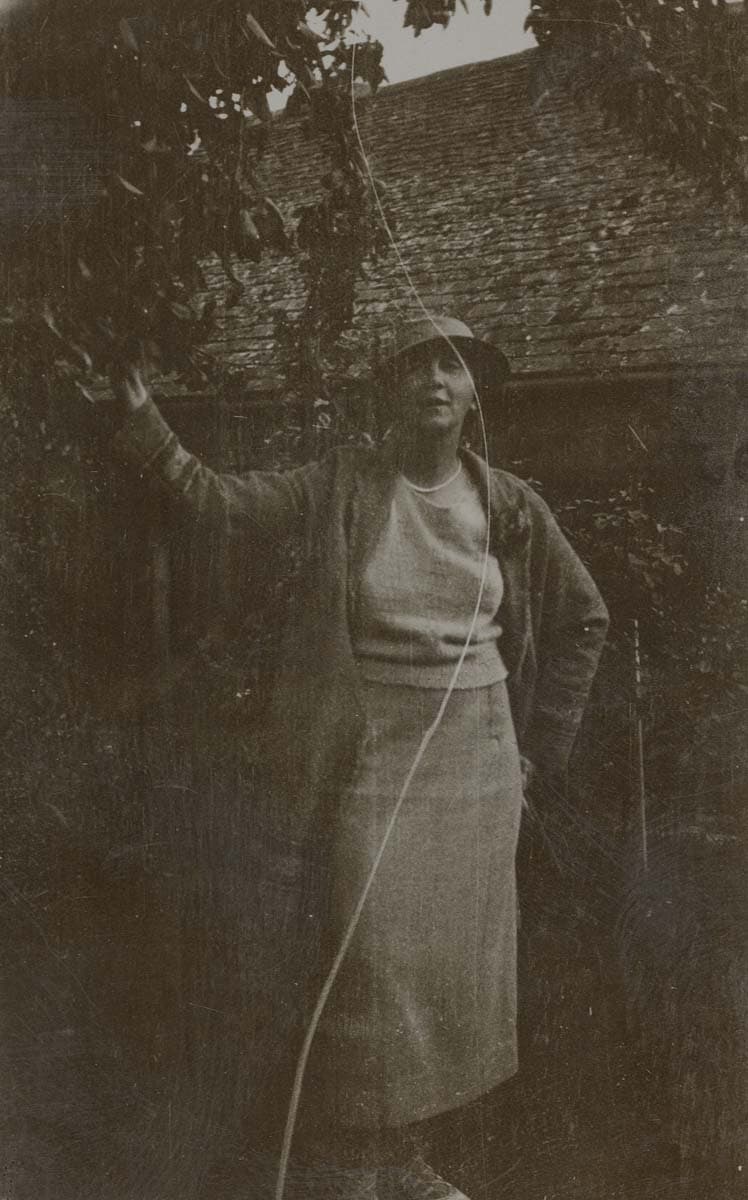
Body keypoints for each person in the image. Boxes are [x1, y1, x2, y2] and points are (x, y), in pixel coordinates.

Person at [109, 315, 608, 1200]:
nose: (434, 379)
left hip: (481, 759)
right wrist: (142, 414)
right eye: (414, 365)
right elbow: (219, 502)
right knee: (368, 963)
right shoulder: (341, 483)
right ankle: (344, 1171)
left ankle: (403, 1164)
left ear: (474, 392)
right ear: (387, 389)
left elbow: (585, 619)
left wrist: (539, 753)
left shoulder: (512, 505)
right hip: (373, 749)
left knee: (446, 978)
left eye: (451, 365)